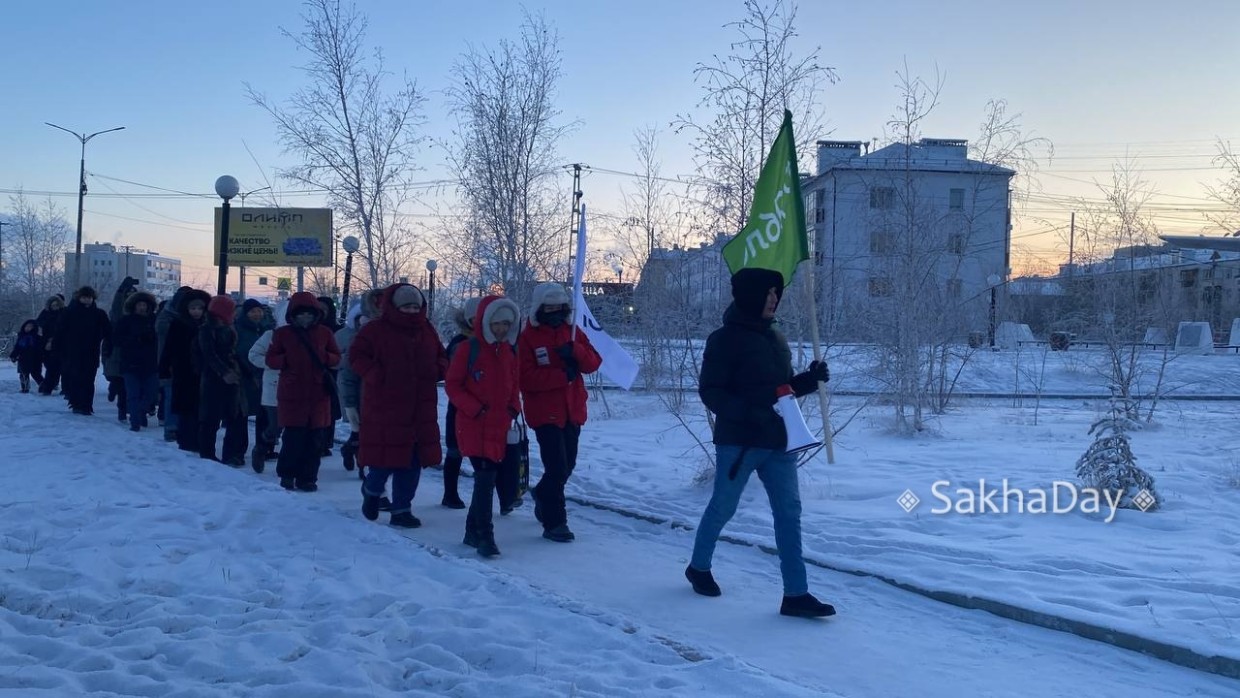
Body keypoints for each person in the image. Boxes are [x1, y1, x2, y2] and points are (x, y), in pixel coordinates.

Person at [685, 267, 835, 619]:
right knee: (723, 506)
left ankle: (796, 594)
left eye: (776, 293)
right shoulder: (723, 339)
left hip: (778, 440)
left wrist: (809, 380)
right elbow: (711, 392)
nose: (774, 299)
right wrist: (746, 413)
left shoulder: (775, 337)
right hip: (739, 442)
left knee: (789, 513)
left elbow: (780, 389)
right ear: (749, 296)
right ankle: (698, 567)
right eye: (767, 293)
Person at [351, 284, 446, 528]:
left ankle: (402, 509)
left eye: (415, 306)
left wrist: (436, 371)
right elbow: (356, 358)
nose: (412, 311)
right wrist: (378, 376)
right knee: (386, 459)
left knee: (413, 461)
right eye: (406, 306)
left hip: (420, 407)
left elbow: (441, 357)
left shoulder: (426, 330)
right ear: (394, 307)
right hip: (386, 406)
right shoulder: (375, 330)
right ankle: (372, 490)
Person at [517, 282, 601, 543]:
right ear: (539, 308)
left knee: (568, 466)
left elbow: (593, 362)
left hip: (572, 409)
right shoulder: (528, 337)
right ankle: (555, 522)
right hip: (545, 413)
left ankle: (543, 494)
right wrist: (561, 375)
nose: (554, 312)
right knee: (556, 466)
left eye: (559, 307)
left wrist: (576, 352)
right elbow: (525, 377)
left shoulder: (572, 332)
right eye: (549, 307)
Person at [445, 295, 521, 557]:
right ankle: (486, 536)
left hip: (499, 426)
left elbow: (514, 383)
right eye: (497, 323)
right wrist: (474, 408)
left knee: (486, 479)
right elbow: (453, 385)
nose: (501, 329)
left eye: (506, 324)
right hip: (473, 425)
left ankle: (470, 532)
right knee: (485, 478)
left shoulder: (509, 351)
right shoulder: (470, 349)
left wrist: (514, 407)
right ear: (486, 322)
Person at [265, 292, 340, 492]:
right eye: (301, 314)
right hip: (293, 395)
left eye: (309, 314)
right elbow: (271, 359)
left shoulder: (324, 333)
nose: (305, 318)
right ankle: (287, 475)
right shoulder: (283, 334)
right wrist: (287, 360)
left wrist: (324, 356)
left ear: (316, 314)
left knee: (314, 442)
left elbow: (336, 357)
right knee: (293, 439)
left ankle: (308, 478)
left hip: (318, 395)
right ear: (293, 315)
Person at [335, 289, 384, 478]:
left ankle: (353, 452)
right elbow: (336, 361)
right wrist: (350, 403)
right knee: (364, 433)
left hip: (380, 396)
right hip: (358, 391)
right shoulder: (349, 336)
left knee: (364, 434)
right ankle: (365, 468)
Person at [197, 295, 248, 465]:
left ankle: (231, 454)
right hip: (214, 379)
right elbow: (209, 355)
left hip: (231, 378)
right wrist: (225, 372)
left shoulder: (227, 327)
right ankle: (207, 453)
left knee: (235, 416)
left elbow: (233, 353)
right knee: (211, 418)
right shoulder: (207, 330)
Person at [441, 296, 481, 509]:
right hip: (460, 406)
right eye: (474, 318)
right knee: (455, 451)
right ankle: (450, 493)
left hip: (485, 407)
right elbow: (453, 377)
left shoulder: (494, 342)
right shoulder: (460, 343)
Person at [160, 289, 211, 451]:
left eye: (200, 308)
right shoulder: (178, 324)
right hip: (183, 371)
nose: (196, 312)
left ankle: (196, 440)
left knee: (199, 408)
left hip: (203, 373)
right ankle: (185, 440)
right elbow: (168, 348)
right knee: (185, 408)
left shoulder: (207, 325)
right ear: (186, 309)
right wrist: (164, 369)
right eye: (193, 308)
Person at [54, 286, 112, 416]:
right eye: (84, 297)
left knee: (89, 379)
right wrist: (58, 348)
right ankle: (76, 403)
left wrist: (107, 342)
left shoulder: (99, 314)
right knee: (75, 377)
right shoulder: (69, 313)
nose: (87, 300)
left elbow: (108, 331)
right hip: (72, 351)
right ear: (79, 298)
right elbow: (60, 331)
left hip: (91, 351)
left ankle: (86, 405)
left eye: (89, 297)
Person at [247, 300, 288, 474]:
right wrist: (272, 364)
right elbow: (253, 354)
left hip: (299, 388)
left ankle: (289, 461)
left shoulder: (308, 335)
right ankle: (261, 448)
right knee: (276, 426)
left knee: (294, 427)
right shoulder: (271, 335)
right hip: (275, 387)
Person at [111, 291, 159, 431]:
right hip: (130, 363)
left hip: (150, 363)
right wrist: (134, 339)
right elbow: (116, 340)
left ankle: (139, 412)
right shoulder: (125, 321)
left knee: (151, 394)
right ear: (134, 306)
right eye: (139, 305)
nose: (142, 307)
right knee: (133, 394)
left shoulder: (154, 320)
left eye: (144, 305)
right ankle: (135, 421)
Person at [235, 298, 273, 461]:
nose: (256, 314)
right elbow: (238, 352)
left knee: (265, 414)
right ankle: (237, 451)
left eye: (258, 311)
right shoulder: (239, 329)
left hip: (266, 375)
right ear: (245, 313)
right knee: (240, 415)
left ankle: (264, 448)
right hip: (244, 377)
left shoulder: (268, 329)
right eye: (252, 311)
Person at [156, 286, 193, 440]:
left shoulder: (193, 317)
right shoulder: (167, 316)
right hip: (171, 362)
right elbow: (161, 330)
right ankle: (171, 427)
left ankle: (182, 427)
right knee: (171, 395)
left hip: (189, 363)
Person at [102, 277, 140, 421]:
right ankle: (122, 409)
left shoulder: (141, 314)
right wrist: (120, 290)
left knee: (128, 383)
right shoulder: (118, 315)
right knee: (120, 381)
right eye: (127, 295)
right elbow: (117, 306)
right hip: (117, 351)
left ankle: (127, 408)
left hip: (135, 353)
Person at [35, 295, 65, 395]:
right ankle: (48, 385)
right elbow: (39, 324)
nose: (55, 307)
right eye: (53, 305)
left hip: (60, 343)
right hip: (46, 344)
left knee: (58, 366)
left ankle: (49, 386)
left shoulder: (63, 313)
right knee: (51, 366)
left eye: (57, 305)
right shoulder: (45, 313)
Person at [9, 320, 44, 393]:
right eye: (27, 326)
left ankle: (44, 385)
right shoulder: (21, 336)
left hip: (35, 358)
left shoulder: (36, 337)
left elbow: (40, 348)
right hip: (23, 358)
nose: (28, 328)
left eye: (30, 327)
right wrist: (13, 355)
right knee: (24, 374)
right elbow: (18, 347)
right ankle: (25, 388)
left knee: (36, 373)